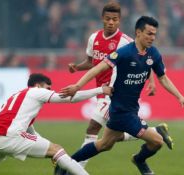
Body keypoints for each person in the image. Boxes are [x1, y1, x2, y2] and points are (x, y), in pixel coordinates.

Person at [56, 16, 184, 175]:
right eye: (149, 34)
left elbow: (162, 78)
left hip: (130, 109)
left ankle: (65, 163)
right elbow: (97, 68)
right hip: (121, 112)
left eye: (154, 34)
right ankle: (139, 160)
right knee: (157, 141)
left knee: (104, 144)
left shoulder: (153, 54)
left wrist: (179, 96)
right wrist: (77, 86)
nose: (152, 38)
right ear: (138, 32)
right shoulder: (123, 53)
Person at [0, 73, 112, 175]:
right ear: (38, 85)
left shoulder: (17, 96)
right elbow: (68, 98)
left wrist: (47, 148)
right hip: (10, 136)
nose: (49, 91)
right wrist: (100, 90)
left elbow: (31, 132)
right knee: (57, 150)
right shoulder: (35, 92)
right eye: (48, 88)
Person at [67, 1, 157, 168]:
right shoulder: (93, 38)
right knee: (110, 138)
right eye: (108, 19)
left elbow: (144, 57)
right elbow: (92, 62)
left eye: (114, 19)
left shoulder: (126, 41)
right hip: (100, 91)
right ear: (102, 18)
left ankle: (74, 167)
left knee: (94, 128)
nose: (111, 22)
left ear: (119, 20)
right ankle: (154, 132)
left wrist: (151, 80)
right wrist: (77, 67)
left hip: (114, 92)